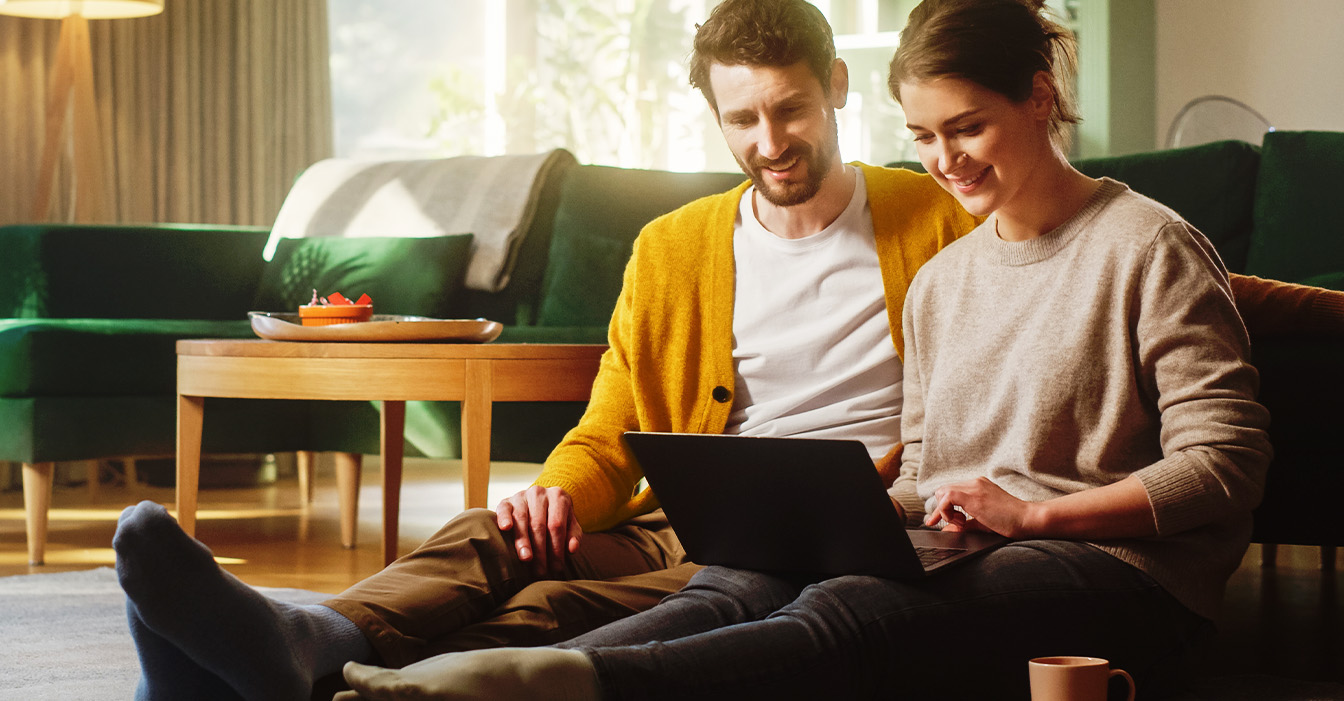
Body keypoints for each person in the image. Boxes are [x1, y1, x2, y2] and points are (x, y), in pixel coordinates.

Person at [328, 1, 1279, 699]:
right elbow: (935, 464)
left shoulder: (1143, 242)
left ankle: (580, 684)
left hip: (1119, 563)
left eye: (968, 128)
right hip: (966, 540)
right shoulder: (949, 276)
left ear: (1041, 100)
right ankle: (441, 663)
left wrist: (1028, 518)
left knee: (845, 612)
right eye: (923, 137)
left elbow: (1225, 465)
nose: (945, 161)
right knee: (736, 583)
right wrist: (859, 507)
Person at [110, 0, 979, 698]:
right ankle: (313, 636)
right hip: (686, 525)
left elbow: (986, 399)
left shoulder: (936, 221)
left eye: (790, 108)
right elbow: (611, 425)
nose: (770, 141)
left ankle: (274, 675)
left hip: (835, 537)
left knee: (554, 605)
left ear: (835, 85)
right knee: (500, 535)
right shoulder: (672, 247)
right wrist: (557, 494)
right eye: (742, 117)